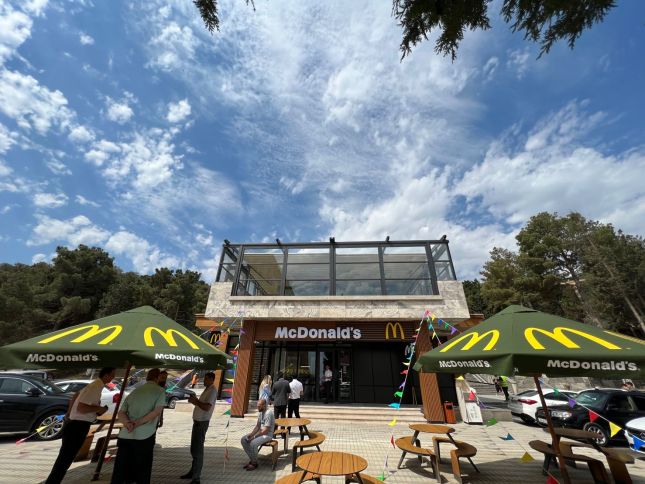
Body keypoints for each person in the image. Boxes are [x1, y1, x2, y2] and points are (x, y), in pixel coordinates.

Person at [45, 367, 115, 484]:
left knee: (65, 458)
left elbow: (76, 395)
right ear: (106, 375)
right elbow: (82, 408)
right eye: (112, 375)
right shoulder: (95, 387)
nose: (113, 377)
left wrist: (69, 413)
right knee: (65, 459)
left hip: (76, 424)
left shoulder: (96, 385)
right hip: (78, 426)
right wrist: (99, 409)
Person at [111, 368, 166, 484]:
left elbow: (121, 412)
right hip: (144, 436)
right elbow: (157, 411)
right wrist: (137, 423)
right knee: (142, 470)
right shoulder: (160, 391)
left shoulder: (135, 391)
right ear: (157, 378)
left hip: (126, 434)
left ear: (147, 378)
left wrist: (127, 423)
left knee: (120, 469)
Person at [180, 372, 218, 484]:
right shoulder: (207, 389)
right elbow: (201, 404)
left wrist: (195, 401)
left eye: (206, 379)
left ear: (211, 379)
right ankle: (193, 472)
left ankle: (196, 478)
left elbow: (206, 407)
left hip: (201, 423)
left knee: (198, 451)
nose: (204, 381)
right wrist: (195, 401)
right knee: (194, 449)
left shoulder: (212, 390)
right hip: (197, 422)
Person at [240, 398, 275, 471]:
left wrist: (254, 437)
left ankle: (254, 463)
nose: (257, 407)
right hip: (261, 433)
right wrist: (251, 434)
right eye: (257, 406)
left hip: (267, 435)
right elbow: (257, 426)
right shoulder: (261, 412)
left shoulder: (268, 413)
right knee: (244, 439)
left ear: (264, 405)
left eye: (259, 406)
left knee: (253, 443)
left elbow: (266, 430)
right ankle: (252, 459)